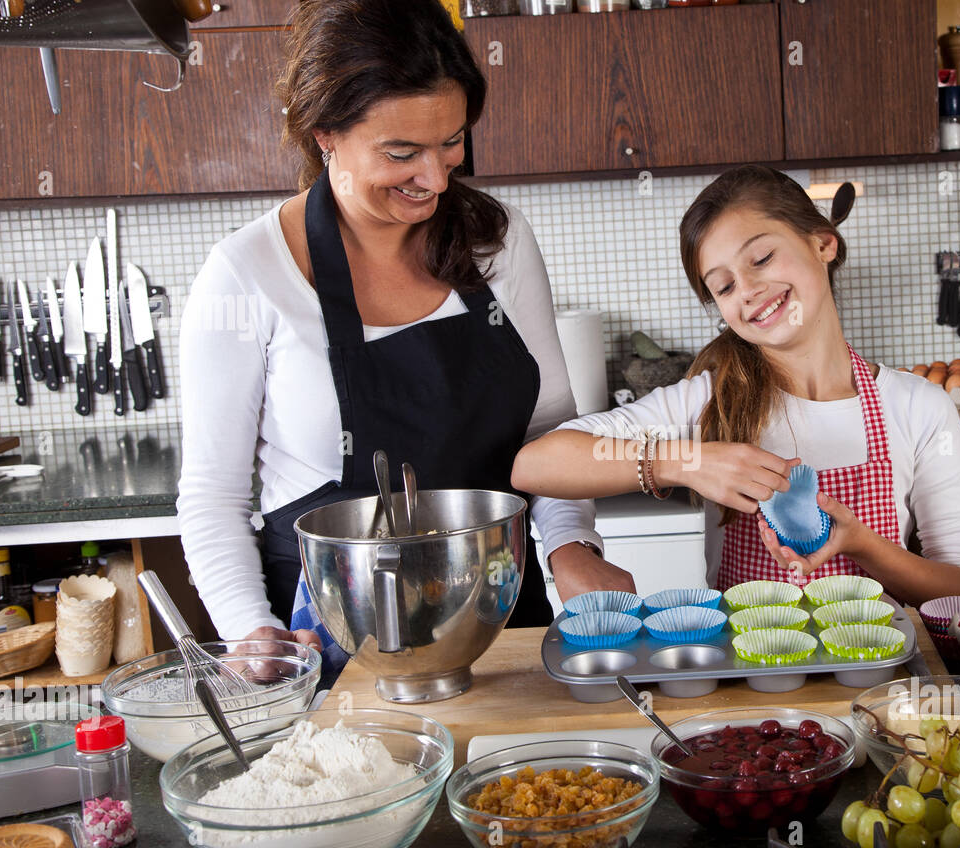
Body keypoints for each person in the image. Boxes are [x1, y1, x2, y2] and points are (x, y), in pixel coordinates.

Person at [177, 0, 630, 686]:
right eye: (401, 153)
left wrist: (570, 543)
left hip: (499, 624)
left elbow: (547, 431)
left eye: (451, 141)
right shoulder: (247, 274)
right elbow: (212, 497)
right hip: (331, 646)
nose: (437, 179)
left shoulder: (496, 239)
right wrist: (251, 630)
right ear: (325, 131)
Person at [512, 165, 960, 605]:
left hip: (883, 690)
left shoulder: (918, 408)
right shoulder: (707, 401)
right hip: (752, 694)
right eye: (722, 287)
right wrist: (685, 462)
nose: (747, 290)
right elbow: (535, 464)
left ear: (823, 243)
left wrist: (860, 544)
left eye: (761, 258)